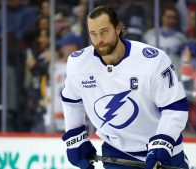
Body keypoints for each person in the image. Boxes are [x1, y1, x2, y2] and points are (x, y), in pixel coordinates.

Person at [61, 5, 189, 169]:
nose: (99, 39)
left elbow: (175, 107)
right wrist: (76, 137)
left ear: (118, 29)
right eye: (93, 34)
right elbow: (72, 101)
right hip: (116, 152)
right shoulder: (78, 64)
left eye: (104, 31)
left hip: (165, 151)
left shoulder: (153, 60)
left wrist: (163, 142)